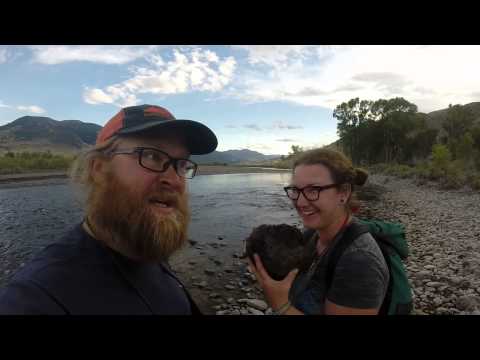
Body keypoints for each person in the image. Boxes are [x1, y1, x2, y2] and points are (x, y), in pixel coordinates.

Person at [0, 104, 218, 315]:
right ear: (100, 169)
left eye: (181, 164)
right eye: (152, 156)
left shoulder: (144, 241)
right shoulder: (37, 297)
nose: (174, 180)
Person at [248, 148, 389, 315]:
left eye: (313, 190)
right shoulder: (312, 234)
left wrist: (280, 304)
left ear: (343, 192)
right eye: (296, 190)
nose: (300, 202)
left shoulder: (360, 262)